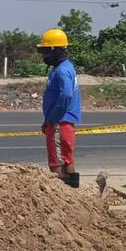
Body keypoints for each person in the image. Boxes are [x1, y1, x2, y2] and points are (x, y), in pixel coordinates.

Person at [37, 28, 82, 188]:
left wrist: (52, 118)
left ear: (55, 50)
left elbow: (66, 96)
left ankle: (61, 195)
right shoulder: (66, 67)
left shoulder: (62, 71)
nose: (44, 56)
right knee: (66, 158)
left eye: (46, 52)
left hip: (59, 122)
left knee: (56, 161)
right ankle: (72, 190)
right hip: (61, 122)